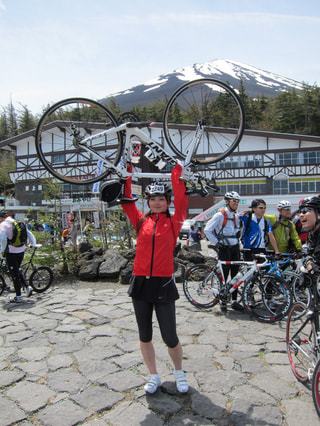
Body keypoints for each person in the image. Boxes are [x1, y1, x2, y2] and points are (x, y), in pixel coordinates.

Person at [121, 163, 189, 395]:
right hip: (141, 282)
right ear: (148, 201)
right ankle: (153, 375)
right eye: (153, 199)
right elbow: (126, 198)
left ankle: (179, 372)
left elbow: (182, 200)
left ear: (167, 201)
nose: (157, 203)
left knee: (170, 336)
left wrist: (177, 172)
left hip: (163, 283)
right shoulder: (140, 221)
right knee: (145, 335)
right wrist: (127, 172)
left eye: (161, 199)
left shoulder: (174, 222)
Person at [204, 191, 243, 312]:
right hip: (224, 248)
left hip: (235, 247)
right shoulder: (220, 215)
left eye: (237, 201)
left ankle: (235, 300)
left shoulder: (236, 216)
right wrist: (217, 243)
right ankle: (222, 301)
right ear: (227, 201)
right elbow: (207, 230)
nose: (236, 203)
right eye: (233, 201)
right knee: (224, 275)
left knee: (236, 275)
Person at [0, 211, 36, 303]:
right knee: (17, 270)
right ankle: (27, 287)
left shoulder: (3, 224)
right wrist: (33, 244)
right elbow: (29, 233)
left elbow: (3, 238)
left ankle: (18, 296)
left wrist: (2, 250)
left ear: (1, 218)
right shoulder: (17, 223)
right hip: (21, 251)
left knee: (14, 274)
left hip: (11, 252)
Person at [298, 196, 320, 273]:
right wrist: (309, 262)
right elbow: (307, 254)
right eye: (300, 211)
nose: (301, 215)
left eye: (306, 211)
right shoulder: (312, 234)